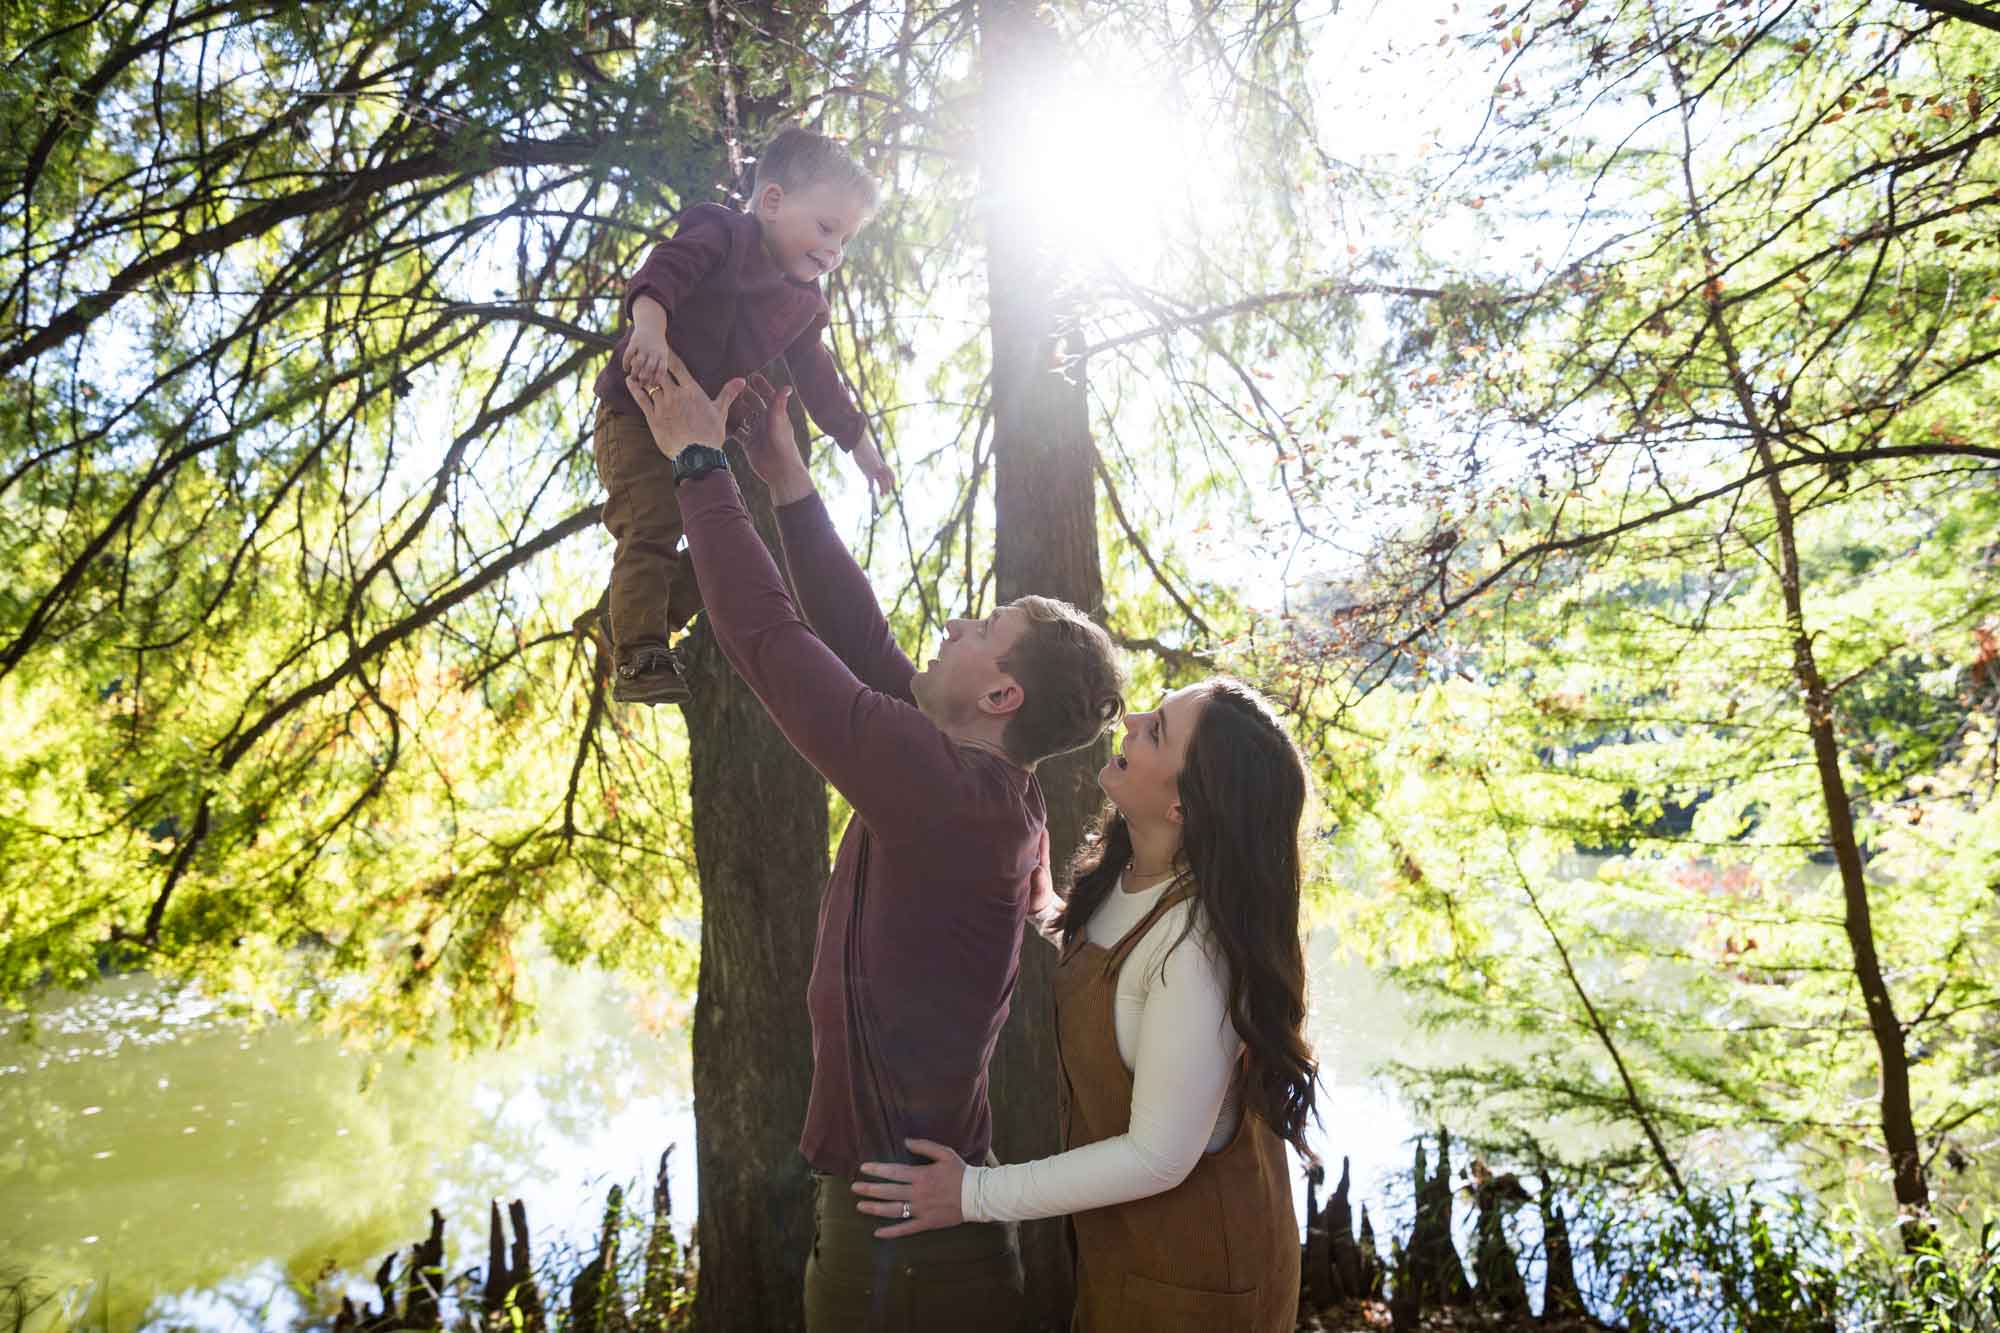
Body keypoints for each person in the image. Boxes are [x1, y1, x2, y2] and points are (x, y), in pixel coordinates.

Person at [621, 353, 1127, 1332]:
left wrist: (697, 466)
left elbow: (770, 640)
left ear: (999, 696)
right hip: (901, 1213)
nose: (952, 620)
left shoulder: (950, 799)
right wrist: (788, 484)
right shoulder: (973, 787)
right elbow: (858, 640)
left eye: (982, 626)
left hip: (906, 1241)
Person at [852, 679, 1318, 1333]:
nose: (1132, 718)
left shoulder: (1196, 955)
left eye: (1156, 729)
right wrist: (1043, 903)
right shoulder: (1135, 870)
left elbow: (1157, 1156)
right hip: (1130, 1259)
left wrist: (971, 1194)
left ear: (1185, 805)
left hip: (1203, 1287)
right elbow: (1111, 961)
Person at [592, 126, 896, 705]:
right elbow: (664, 271)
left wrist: (860, 442)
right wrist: (649, 330)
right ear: (775, 202)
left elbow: (818, 378)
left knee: (723, 551)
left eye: (846, 240)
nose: (834, 251)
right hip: (636, 412)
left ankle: (633, 614)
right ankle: (638, 656)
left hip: (695, 433)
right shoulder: (722, 232)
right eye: (826, 228)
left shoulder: (804, 304)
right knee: (651, 526)